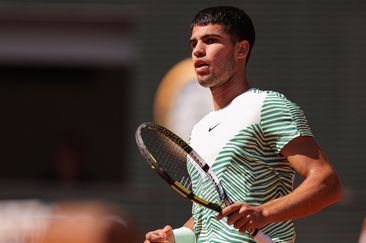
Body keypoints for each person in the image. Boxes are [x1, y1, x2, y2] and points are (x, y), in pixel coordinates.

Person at [145, 6, 342, 243]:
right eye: (193, 43)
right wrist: (175, 238)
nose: (198, 50)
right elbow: (207, 217)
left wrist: (263, 213)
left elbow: (327, 183)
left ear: (241, 50)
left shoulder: (267, 105)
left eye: (210, 40)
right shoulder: (198, 132)